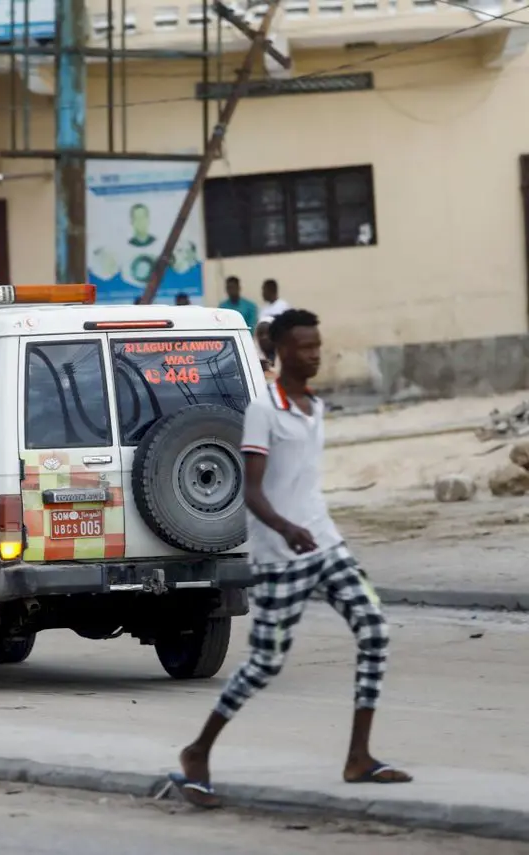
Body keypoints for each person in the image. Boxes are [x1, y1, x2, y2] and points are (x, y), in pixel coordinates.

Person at [169, 309, 408, 809]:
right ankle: (198, 752)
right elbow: (252, 493)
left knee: (375, 628)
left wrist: (310, 529)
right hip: (280, 556)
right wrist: (286, 528)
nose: (315, 353)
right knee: (263, 665)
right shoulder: (265, 409)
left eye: (318, 344)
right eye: (304, 346)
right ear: (281, 351)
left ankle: (359, 756)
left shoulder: (314, 406)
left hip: (325, 544)